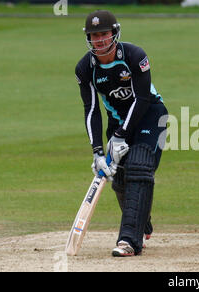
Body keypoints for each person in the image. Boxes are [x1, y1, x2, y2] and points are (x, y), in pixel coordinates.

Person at [75, 10, 167, 256]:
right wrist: (97, 151)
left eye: (104, 34)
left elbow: (143, 98)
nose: (100, 40)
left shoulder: (135, 56)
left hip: (151, 115)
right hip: (116, 122)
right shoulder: (85, 68)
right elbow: (92, 109)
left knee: (139, 166)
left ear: (114, 33)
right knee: (121, 180)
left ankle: (129, 241)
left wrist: (122, 135)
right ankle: (141, 219)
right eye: (94, 36)